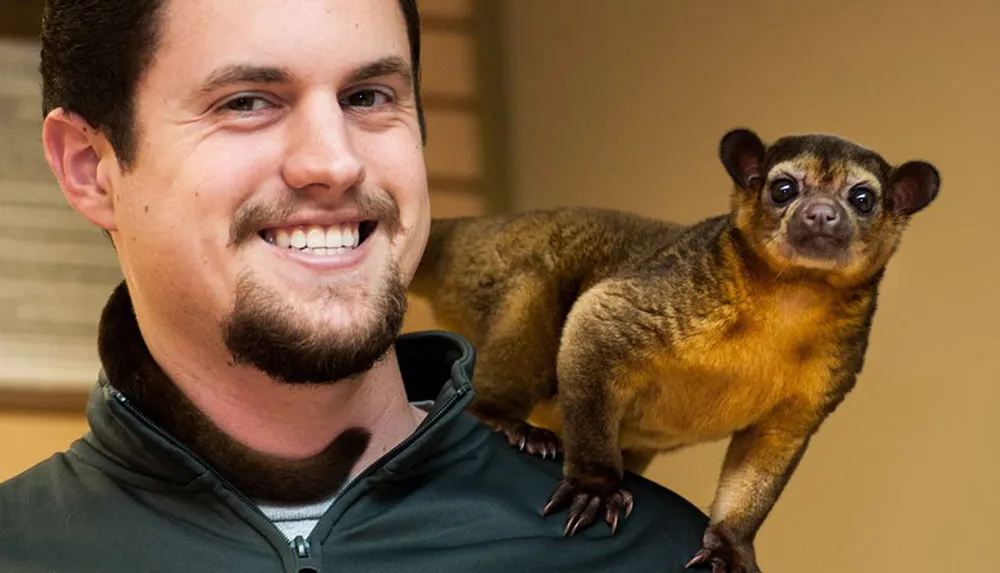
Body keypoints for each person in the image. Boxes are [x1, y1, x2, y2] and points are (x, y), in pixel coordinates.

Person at [0, 0, 710, 571]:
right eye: (248, 101)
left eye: (368, 96)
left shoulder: (655, 551)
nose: (334, 161)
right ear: (90, 167)